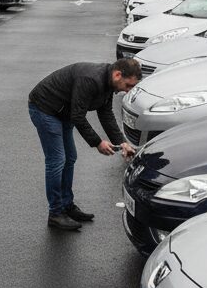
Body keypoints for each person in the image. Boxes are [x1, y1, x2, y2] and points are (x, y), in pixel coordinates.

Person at [28, 59, 141, 231]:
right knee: (57, 160)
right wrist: (97, 142)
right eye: (128, 85)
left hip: (63, 111)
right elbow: (78, 116)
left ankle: (67, 206)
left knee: (70, 157)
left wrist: (122, 142)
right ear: (118, 74)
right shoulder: (91, 79)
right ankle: (56, 214)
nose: (127, 90)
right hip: (45, 108)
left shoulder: (108, 83)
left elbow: (105, 113)